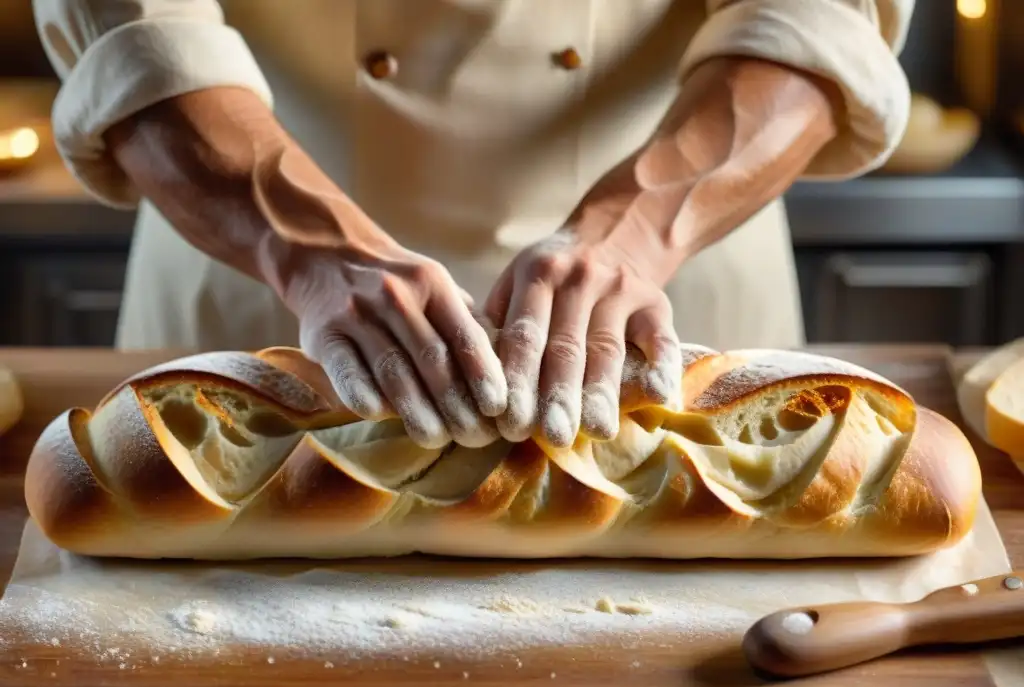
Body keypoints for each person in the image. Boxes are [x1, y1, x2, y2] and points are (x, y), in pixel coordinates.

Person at [32, 0, 914, 450]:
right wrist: (302, 243)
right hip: (255, 291)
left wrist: (630, 233)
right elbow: (131, 27)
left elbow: (819, 19)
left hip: (664, 300)